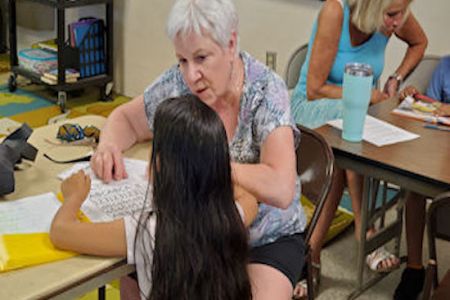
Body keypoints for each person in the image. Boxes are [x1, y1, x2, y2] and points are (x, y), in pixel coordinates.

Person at [89, 0, 307, 298]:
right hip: (195, 231)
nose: (191, 75)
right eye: (182, 60)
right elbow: (126, 118)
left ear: (230, 44)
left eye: (201, 57)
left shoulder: (266, 91)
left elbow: (281, 188)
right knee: (135, 273)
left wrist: (210, 164)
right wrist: (108, 146)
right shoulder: (178, 83)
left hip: (262, 238)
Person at [50, 95, 256, 300]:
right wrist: (209, 175)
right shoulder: (232, 216)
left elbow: (61, 232)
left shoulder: (147, 230)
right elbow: (248, 197)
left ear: (159, 165)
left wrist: (73, 197)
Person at [290, 0, 427, 297]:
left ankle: (309, 257)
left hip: (356, 111)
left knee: (351, 138)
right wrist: (369, 96)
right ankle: (365, 231)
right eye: (391, 15)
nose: (397, 22)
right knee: (352, 126)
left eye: (401, 13)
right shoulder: (335, 11)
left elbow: (419, 42)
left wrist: (396, 78)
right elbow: (314, 89)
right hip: (311, 108)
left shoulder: (394, 12)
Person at [394, 55, 450, 300]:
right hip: (440, 147)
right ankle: (414, 268)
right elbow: (431, 108)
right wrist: (415, 98)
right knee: (414, 188)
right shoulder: (446, 66)